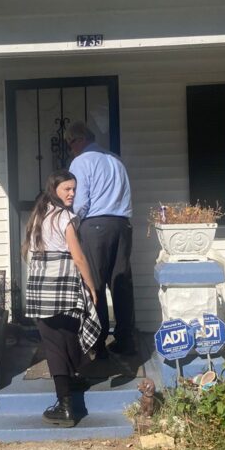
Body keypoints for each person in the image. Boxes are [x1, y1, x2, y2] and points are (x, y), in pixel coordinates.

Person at [24, 169, 101, 427]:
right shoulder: (65, 217)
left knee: (62, 336)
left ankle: (71, 379)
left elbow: (30, 254)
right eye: (66, 189)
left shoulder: (39, 215)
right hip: (60, 287)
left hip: (40, 287)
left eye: (74, 189)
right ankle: (66, 404)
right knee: (59, 341)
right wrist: (92, 287)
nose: (72, 194)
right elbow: (78, 257)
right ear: (54, 190)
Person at [66, 120, 136, 357]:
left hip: (96, 226)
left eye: (70, 142)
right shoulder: (116, 160)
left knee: (93, 284)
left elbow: (81, 202)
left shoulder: (81, 161)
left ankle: (98, 343)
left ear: (80, 139)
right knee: (121, 284)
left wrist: (70, 226)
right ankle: (126, 340)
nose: (70, 148)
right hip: (122, 225)